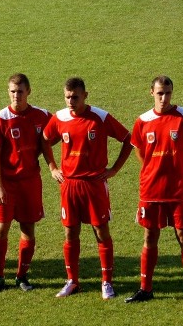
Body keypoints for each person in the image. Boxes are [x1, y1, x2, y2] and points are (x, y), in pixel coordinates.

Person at [43, 77, 134, 299]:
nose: (70, 101)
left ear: (85, 95)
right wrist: (53, 167)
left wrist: (114, 170)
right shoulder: (60, 117)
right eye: (67, 97)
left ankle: (107, 282)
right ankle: (72, 281)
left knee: (101, 231)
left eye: (75, 96)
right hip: (69, 184)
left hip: (94, 184)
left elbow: (128, 139)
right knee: (70, 232)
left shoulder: (100, 117)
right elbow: (44, 140)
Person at [125, 76, 183, 306]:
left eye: (168, 93)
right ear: (151, 92)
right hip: (151, 190)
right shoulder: (142, 121)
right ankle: (145, 288)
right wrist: (153, 171)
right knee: (150, 236)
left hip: (179, 192)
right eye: (160, 93)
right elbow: (140, 152)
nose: (164, 98)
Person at [0, 73, 52, 293]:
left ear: (28, 92)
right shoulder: (0, 119)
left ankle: (22, 276)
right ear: (8, 92)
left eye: (20, 91)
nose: (16, 96)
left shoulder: (41, 116)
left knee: (28, 229)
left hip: (30, 183)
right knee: (1, 229)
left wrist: (49, 162)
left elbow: (58, 133)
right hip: (6, 184)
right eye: (13, 92)